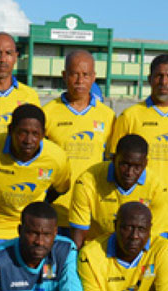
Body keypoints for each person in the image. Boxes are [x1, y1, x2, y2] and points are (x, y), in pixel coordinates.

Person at [109, 54, 168, 240]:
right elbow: (114, 166)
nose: (164, 81)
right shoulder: (130, 116)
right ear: (149, 79)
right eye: (158, 76)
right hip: (138, 216)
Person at [0, 104, 70, 247]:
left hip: (32, 232)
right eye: (23, 132)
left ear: (44, 134)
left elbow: (60, 189)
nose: (28, 140)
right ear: (10, 130)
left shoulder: (57, 157)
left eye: (35, 134)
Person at [42, 50, 116, 236]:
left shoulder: (107, 117)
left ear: (93, 77)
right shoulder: (48, 112)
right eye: (74, 74)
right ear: (64, 76)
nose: (79, 80)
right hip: (55, 211)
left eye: (85, 75)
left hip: (92, 211)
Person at [69, 134, 164, 249]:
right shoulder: (87, 181)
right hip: (96, 250)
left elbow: (150, 238)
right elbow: (79, 232)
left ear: (145, 164)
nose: (129, 172)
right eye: (124, 164)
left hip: (134, 252)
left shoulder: (157, 187)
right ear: (113, 159)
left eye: (137, 167)